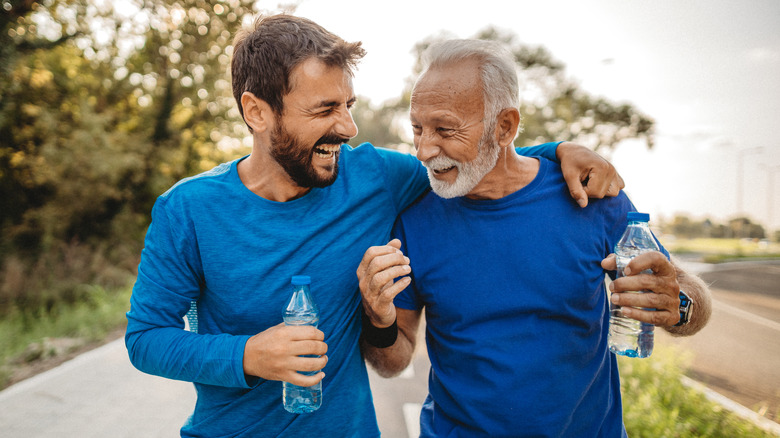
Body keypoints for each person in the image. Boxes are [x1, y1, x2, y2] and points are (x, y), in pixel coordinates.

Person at [125, 14, 626, 437]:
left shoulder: (377, 178)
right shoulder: (188, 210)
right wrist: (248, 355)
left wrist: (559, 152)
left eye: (348, 105)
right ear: (257, 111)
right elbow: (146, 339)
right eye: (324, 109)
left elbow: (479, 163)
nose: (346, 127)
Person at [357, 39, 712, 437]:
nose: (423, 149)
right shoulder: (414, 219)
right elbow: (395, 360)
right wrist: (379, 320)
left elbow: (690, 300)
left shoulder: (590, 197)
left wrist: (678, 305)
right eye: (418, 128)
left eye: (444, 129)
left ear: (504, 126)